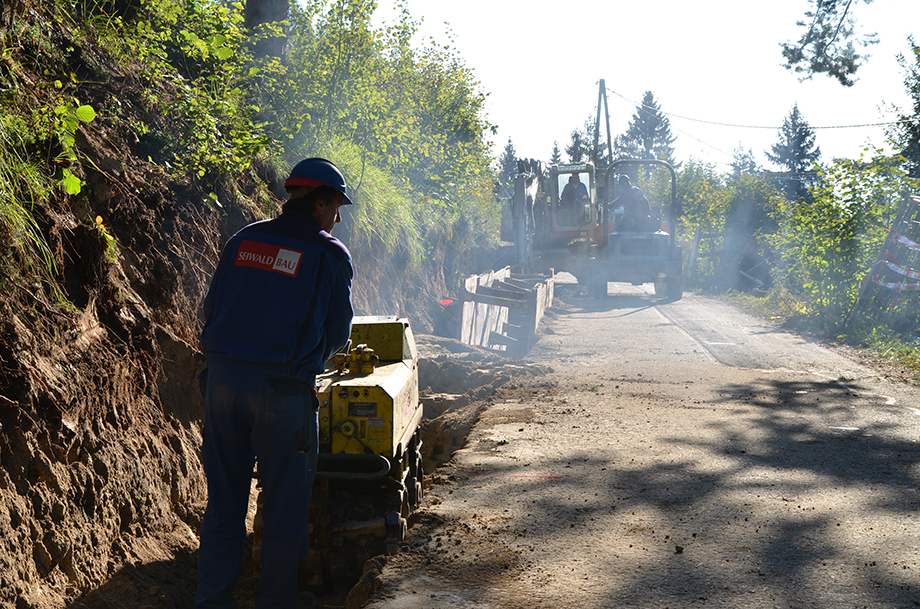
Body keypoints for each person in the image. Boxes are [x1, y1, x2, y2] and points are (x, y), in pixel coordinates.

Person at [195, 158, 355, 609]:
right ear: (319, 201)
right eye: (336, 206)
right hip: (283, 393)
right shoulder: (328, 253)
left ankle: (213, 602)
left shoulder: (243, 240)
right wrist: (307, 365)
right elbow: (338, 332)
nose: (338, 217)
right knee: (285, 511)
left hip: (223, 385)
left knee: (224, 504)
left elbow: (212, 308)